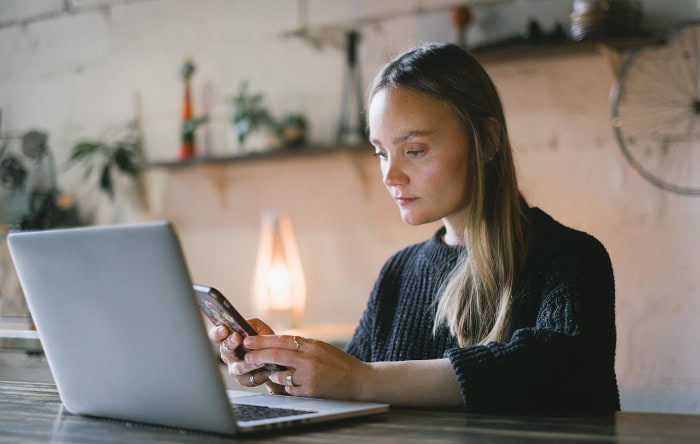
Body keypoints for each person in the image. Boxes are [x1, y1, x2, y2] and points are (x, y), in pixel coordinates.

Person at [209, 42, 620, 414]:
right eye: (381, 152)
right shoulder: (398, 273)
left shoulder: (571, 258)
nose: (391, 175)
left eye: (415, 150)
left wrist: (360, 378)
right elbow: (348, 396)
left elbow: (555, 370)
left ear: (489, 140)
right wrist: (283, 371)